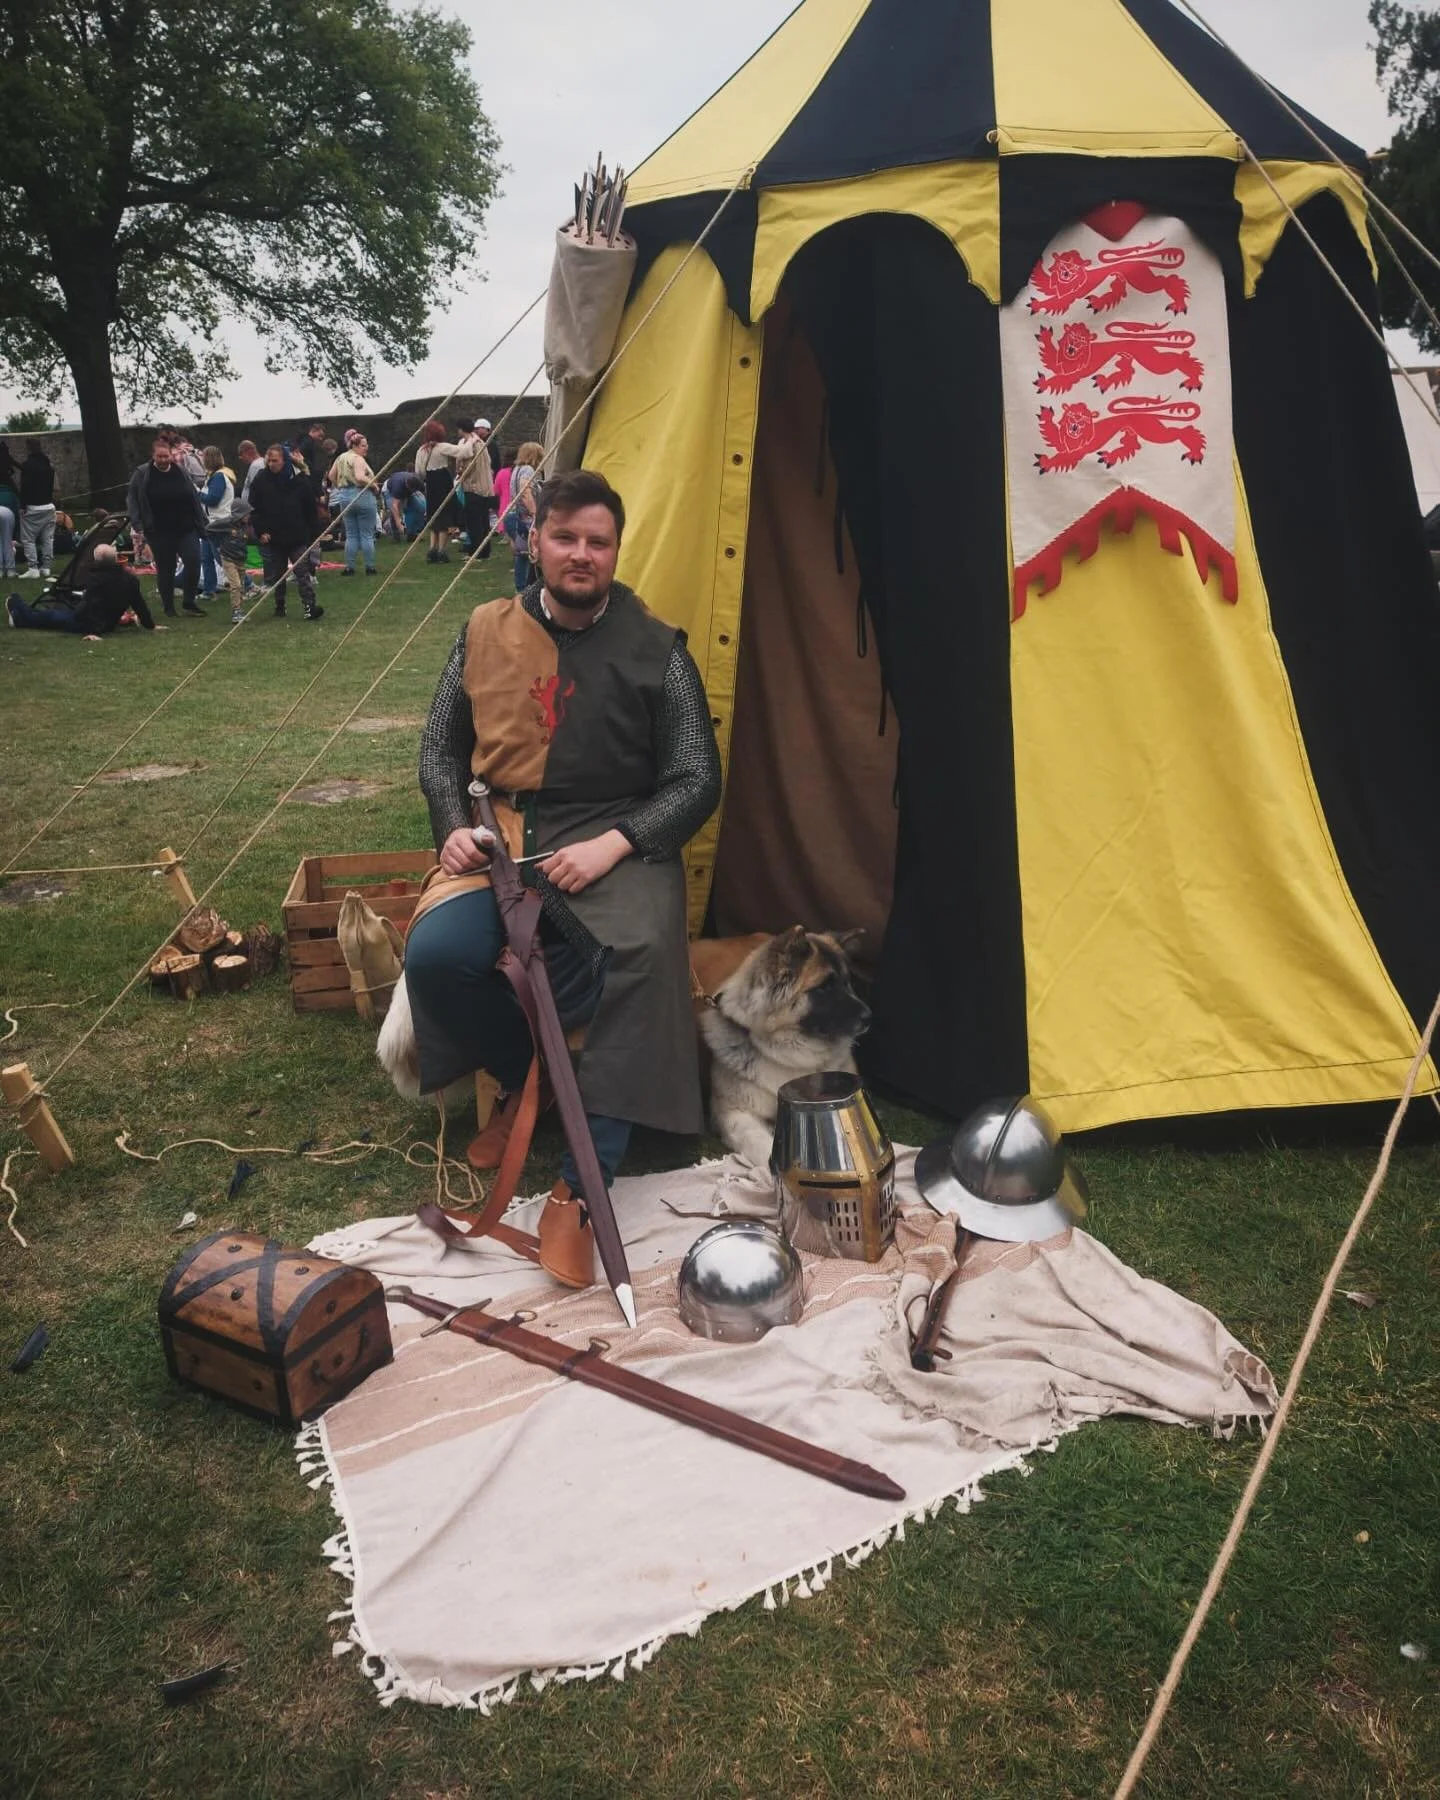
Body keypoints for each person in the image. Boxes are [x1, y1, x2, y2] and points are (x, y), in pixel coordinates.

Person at [406, 468, 721, 1271]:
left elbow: (696, 779)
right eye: (565, 538)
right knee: (439, 960)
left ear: (615, 550)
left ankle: (584, 1185)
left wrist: (618, 840)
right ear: (535, 540)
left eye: (598, 541)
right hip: (502, 830)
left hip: (615, 840)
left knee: (639, 960)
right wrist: (452, 828)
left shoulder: (659, 650)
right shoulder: (482, 629)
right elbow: (442, 752)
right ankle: (530, 1081)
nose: (581, 554)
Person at [126, 435, 208, 616]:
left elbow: (193, 497)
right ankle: (169, 607)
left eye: (166, 456)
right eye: (159, 457)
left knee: (194, 561)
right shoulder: (142, 474)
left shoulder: (181, 472)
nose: (163, 460)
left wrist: (200, 520)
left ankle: (189, 602)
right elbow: (133, 499)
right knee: (166, 568)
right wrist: (138, 524)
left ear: (171, 455)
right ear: (153, 456)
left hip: (186, 527)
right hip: (159, 531)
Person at [6, 543, 163, 636]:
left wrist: (92, 632)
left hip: (89, 624)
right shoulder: (130, 579)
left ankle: (19, 612)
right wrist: (150, 625)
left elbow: (90, 605)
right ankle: (20, 611)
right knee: (55, 613)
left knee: (52, 617)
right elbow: (139, 603)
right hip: (108, 624)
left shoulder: (97, 579)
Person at [246, 443, 323, 620]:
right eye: (269, 461)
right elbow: (255, 509)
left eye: (276, 460)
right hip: (274, 535)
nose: (272, 464)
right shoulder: (261, 479)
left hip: (297, 534)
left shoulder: (299, 480)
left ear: (284, 461)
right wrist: (261, 531)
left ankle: (309, 606)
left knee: (302, 571)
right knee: (278, 573)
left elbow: (310, 509)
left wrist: (314, 534)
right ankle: (279, 605)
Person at [327, 431, 379, 575]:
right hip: (362, 495)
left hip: (344, 496)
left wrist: (339, 487)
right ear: (355, 446)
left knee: (351, 534)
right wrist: (374, 485)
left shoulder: (340, 458)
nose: (366, 448)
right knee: (367, 534)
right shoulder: (358, 458)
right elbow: (360, 476)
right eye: (363, 445)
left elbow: (331, 475)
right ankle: (370, 567)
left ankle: (350, 567)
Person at [452, 419, 495, 560]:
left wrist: (460, 473)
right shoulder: (481, 443)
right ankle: (484, 552)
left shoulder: (472, 444)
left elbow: (469, 465)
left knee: (475, 523)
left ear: (461, 429)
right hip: (484, 488)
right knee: (483, 522)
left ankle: (477, 553)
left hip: (474, 487)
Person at [415, 419, 457, 562]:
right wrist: (472, 440)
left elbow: (419, 472)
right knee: (444, 517)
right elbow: (463, 452)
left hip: (431, 484)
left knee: (434, 517)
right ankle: (441, 551)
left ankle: (432, 550)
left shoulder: (421, 451)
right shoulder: (442, 447)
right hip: (443, 483)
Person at [505, 442, 543, 591]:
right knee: (534, 551)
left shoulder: (516, 469)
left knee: (521, 554)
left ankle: (521, 587)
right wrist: (535, 512)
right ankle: (531, 587)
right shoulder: (527, 470)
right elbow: (525, 491)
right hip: (526, 517)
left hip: (516, 515)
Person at [17, 439, 57, 580]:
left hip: (33, 507)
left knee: (28, 539)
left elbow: (25, 488)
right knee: (48, 538)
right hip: (49, 506)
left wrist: (22, 506)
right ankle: (46, 567)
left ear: (28, 448)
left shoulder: (28, 466)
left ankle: (33, 568)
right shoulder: (48, 466)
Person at [383, 467, 424, 540]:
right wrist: (399, 524)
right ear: (407, 485)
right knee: (395, 513)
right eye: (411, 490)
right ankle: (396, 536)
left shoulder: (418, 481)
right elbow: (394, 505)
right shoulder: (398, 487)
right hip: (389, 490)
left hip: (403, 487)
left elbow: (424, 494)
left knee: (418, 508)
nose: (413, 491)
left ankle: (412, 533)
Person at [0, 440, 19, 580]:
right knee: (7, 540)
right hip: (8, 512)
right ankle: (11, 569)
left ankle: (0, 570)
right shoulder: (11, 493)